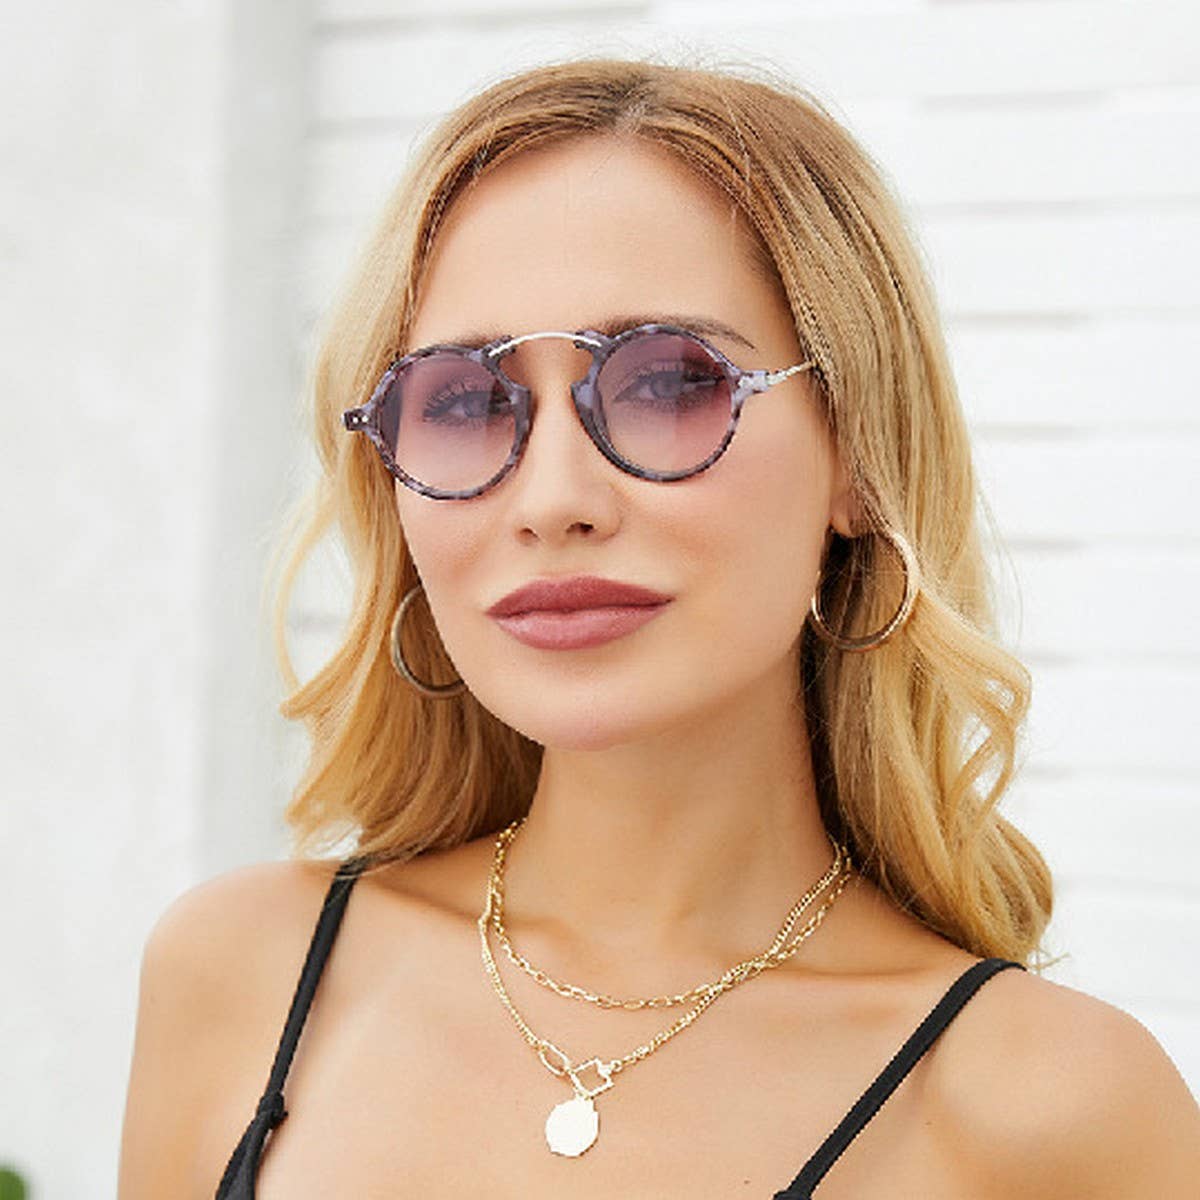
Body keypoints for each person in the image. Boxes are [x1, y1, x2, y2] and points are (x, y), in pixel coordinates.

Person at [118, 56, 1200, 1198]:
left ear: (857, 454)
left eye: (669, 382)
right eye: (466, 401)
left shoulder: (1050, 1109)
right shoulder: (241, 974)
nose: (551, 500)